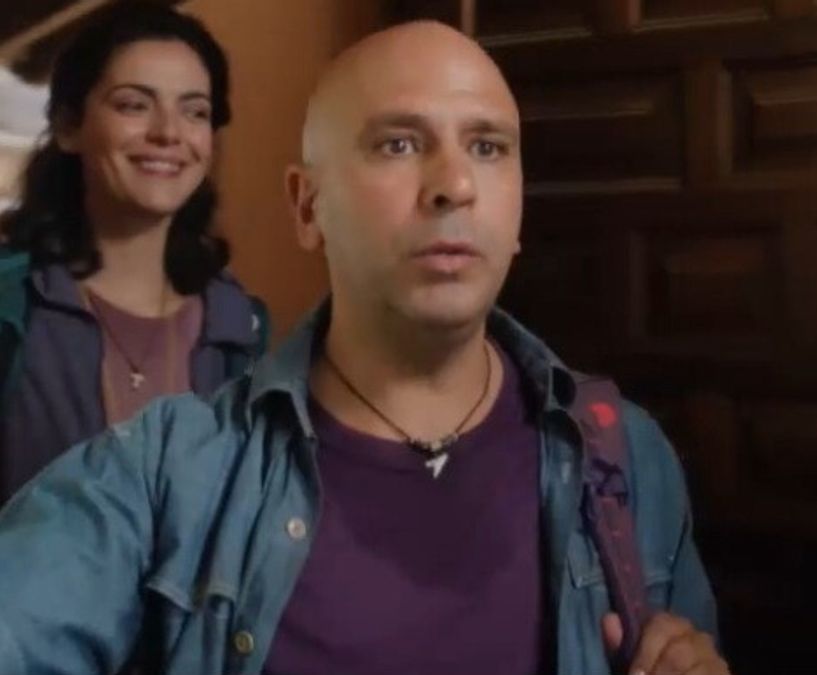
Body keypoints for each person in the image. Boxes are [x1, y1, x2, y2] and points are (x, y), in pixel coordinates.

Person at [0, 20, 727, 675]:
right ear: (307, 205)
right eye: (399, 144)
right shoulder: (161, 477)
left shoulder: (625, 456)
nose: (455, 184)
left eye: (487, 147)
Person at [0, 2, 268, 502]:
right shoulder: (12, 307)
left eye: (195, 111)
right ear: (68, 127)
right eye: (133, 105)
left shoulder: (240, 330)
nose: (169, 132)